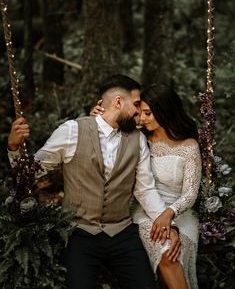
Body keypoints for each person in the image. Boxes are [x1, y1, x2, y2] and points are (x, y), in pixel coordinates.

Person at [7, 75, 181, 289]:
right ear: (118, 102)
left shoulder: (138, 140)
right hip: (80, 233)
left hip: (122, 232)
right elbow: (31, 173)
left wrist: (167, 224)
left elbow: (145, 190)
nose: (138, 111)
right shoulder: (72, 131)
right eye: (136, 104)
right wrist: (14, 148)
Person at [92, 83, 202, 289]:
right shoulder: (139, 138)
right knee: (167, 253)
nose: (142, 119)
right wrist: (97, 117)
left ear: (164, 111)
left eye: (148, 113)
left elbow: (190, 193)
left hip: (181, 212)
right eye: (140, 113)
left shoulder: (189, 146)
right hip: (145, 210)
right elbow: (107, 136)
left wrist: (170, 213)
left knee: (173, 255)